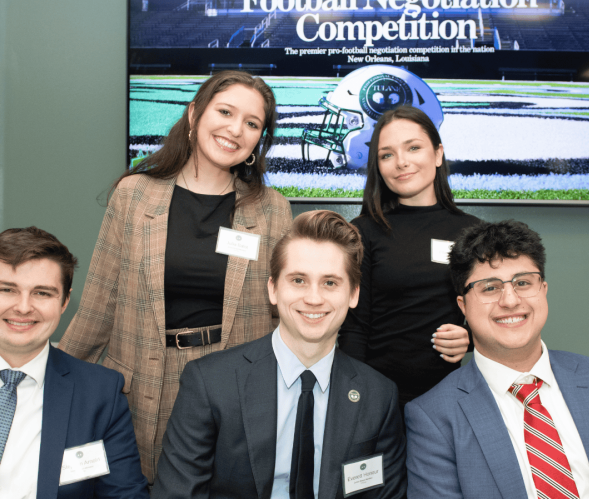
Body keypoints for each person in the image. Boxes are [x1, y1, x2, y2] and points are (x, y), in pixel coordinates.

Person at [58, 70, 292, 482]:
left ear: (260, 139)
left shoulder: (272, 209)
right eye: (225, 111)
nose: (235, 129)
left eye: (252, 123)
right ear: (193, 114)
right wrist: (51, 380)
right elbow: (99, 306)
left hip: (231, 384)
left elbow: (282, 315)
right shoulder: (134, 195)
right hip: (141, 381)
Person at [405, 220, 589, 499]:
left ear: (543, 290)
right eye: (490, 287)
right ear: (463, 306)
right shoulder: (433, 418)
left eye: (523, 282)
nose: (510, 300)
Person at [152, 210, 407, 499]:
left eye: (330, 283)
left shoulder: (379, 396)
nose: (313, 298)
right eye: (298, 280)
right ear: (273, 289)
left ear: (354, 295)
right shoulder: (210, 384)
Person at [0, 226, 148, 499]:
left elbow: (125, 494)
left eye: (42, 293)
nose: (23, 307)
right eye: (7, 289)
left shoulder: (99, 394)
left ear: (65, 301)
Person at [339, 105, 480, 406]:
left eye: (413, 148)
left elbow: (494, 309)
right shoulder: (363, 231)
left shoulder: (473, 232)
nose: (401, 162)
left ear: (438, 154)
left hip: (448, 401)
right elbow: (353, 329)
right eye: (386, 155)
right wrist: (355, 401)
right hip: (378, 400)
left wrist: (470, 338)